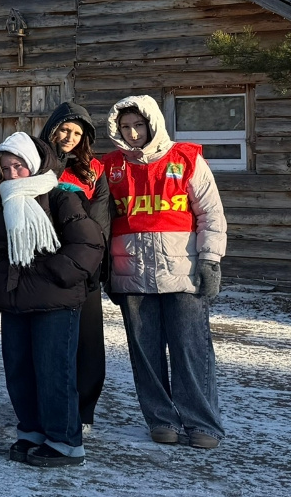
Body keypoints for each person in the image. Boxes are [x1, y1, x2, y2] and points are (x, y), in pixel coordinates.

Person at [102, 95, 227, 449]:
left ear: (152, 123)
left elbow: (210, 214)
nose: (132, 133)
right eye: (125, 127)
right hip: (131, 272)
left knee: (191, 349)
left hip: (183, 272)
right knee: (145, 353)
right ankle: (161, 419)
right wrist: (107, 271)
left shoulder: (186, 159)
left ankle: (201, 423)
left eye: (138, 125)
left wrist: (210, 259)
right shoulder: (110, 166)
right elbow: (100, 218)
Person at [0, 132, 104, 467]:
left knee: (54, 371)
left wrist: (54, 274)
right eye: (6, 168)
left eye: (18, 166)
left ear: (33, 164)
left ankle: (64, 441)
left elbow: (88, 245)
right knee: (19, 370)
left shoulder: (61, 196)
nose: (12, 173)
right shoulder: (1, 201)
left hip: (55, 301)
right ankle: (32, 431)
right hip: (14, 299)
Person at [39, 101, 113, 429]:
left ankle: (84, 409)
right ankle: (47, 404)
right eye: (64, 130)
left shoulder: (93, 169)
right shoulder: (35, 161)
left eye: (77, 133)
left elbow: (101, 219)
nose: (69, 137)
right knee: (49, 341)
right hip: (43, 264)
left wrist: (95, 263)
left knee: (87, 341)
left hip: (83, 266)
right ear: (52, 129)